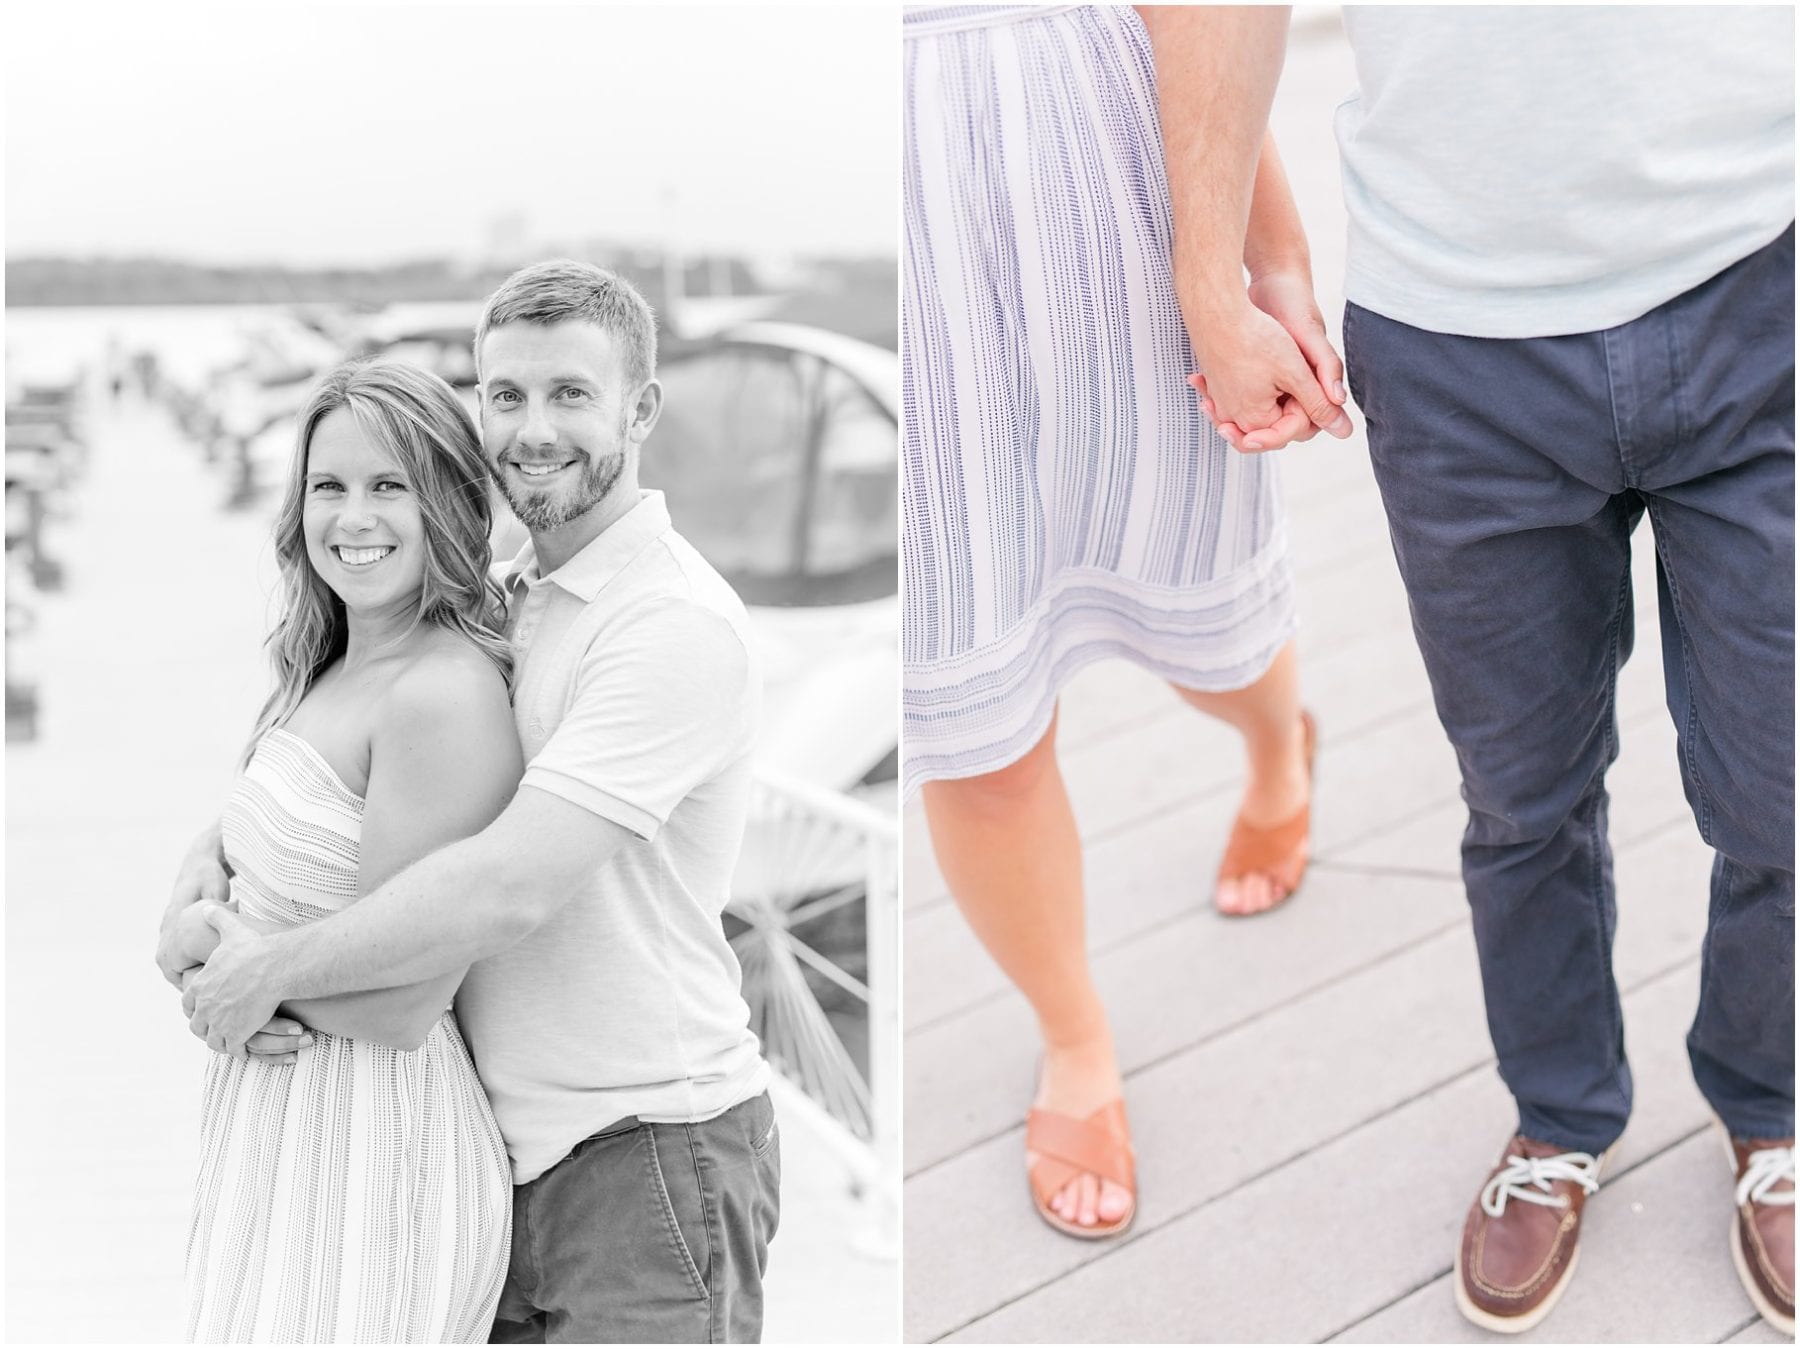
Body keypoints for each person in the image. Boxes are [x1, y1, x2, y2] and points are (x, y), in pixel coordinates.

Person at [1190, 7, 1795, 1335]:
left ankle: (1774, 1106)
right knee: (1522, 795)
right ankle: (1561, 1114)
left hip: (1764, 270)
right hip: (1456, 326)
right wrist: (1208, 274)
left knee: (1786, 790)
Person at [163, 260, 779, 1344]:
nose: (532, 429)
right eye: (506, 396)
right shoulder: (516, 593)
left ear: (640, 409)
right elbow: (341, 788)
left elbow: (505, 885)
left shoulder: (670, 623)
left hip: (643, 1146)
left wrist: (259, 975)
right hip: (505, 1144)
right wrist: (207, 864)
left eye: (569, 394)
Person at [901, 4, 1350, 1240]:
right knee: (971, 719)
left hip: (1113, 196)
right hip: (900, 275)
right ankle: (1076, 1040)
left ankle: (1275, 749)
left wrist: (1268, 265)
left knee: (1213, 632)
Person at [162, 360, 519, 1341]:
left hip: (374, 1143)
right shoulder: (328, 659)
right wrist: (190, 892)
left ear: (444, 499)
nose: (353, 516)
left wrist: (222, 978)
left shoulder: (442, 694)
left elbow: (408, 996)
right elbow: (279, 832)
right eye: (330, 485)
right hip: (277, 1128)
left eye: (388, 485)